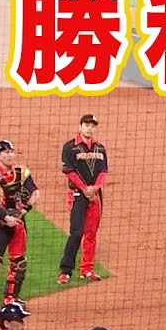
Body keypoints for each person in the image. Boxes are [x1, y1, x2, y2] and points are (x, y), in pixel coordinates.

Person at [0, 140, 40, 314]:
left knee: (19, 263)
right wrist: (6, 218)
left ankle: (11, 299)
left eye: (12, 152)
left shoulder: (22, 173)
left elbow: (35, 193)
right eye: (6, 152)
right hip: (0, 225)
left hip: (18, 224)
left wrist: (23, 211)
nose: (10, 155)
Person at [58, 114, 108, 284]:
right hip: (77, 195)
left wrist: (95, 188)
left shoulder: (100, 148)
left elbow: (103, 171)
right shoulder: (70, 147)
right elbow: (69, 171)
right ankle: (65, 270)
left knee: (91, 234)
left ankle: (87, 269)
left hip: (95, 196)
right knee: (76, 232)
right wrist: (85, 189)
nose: (89, 128)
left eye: (93, 126)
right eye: (86, 125)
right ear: (80, 127)